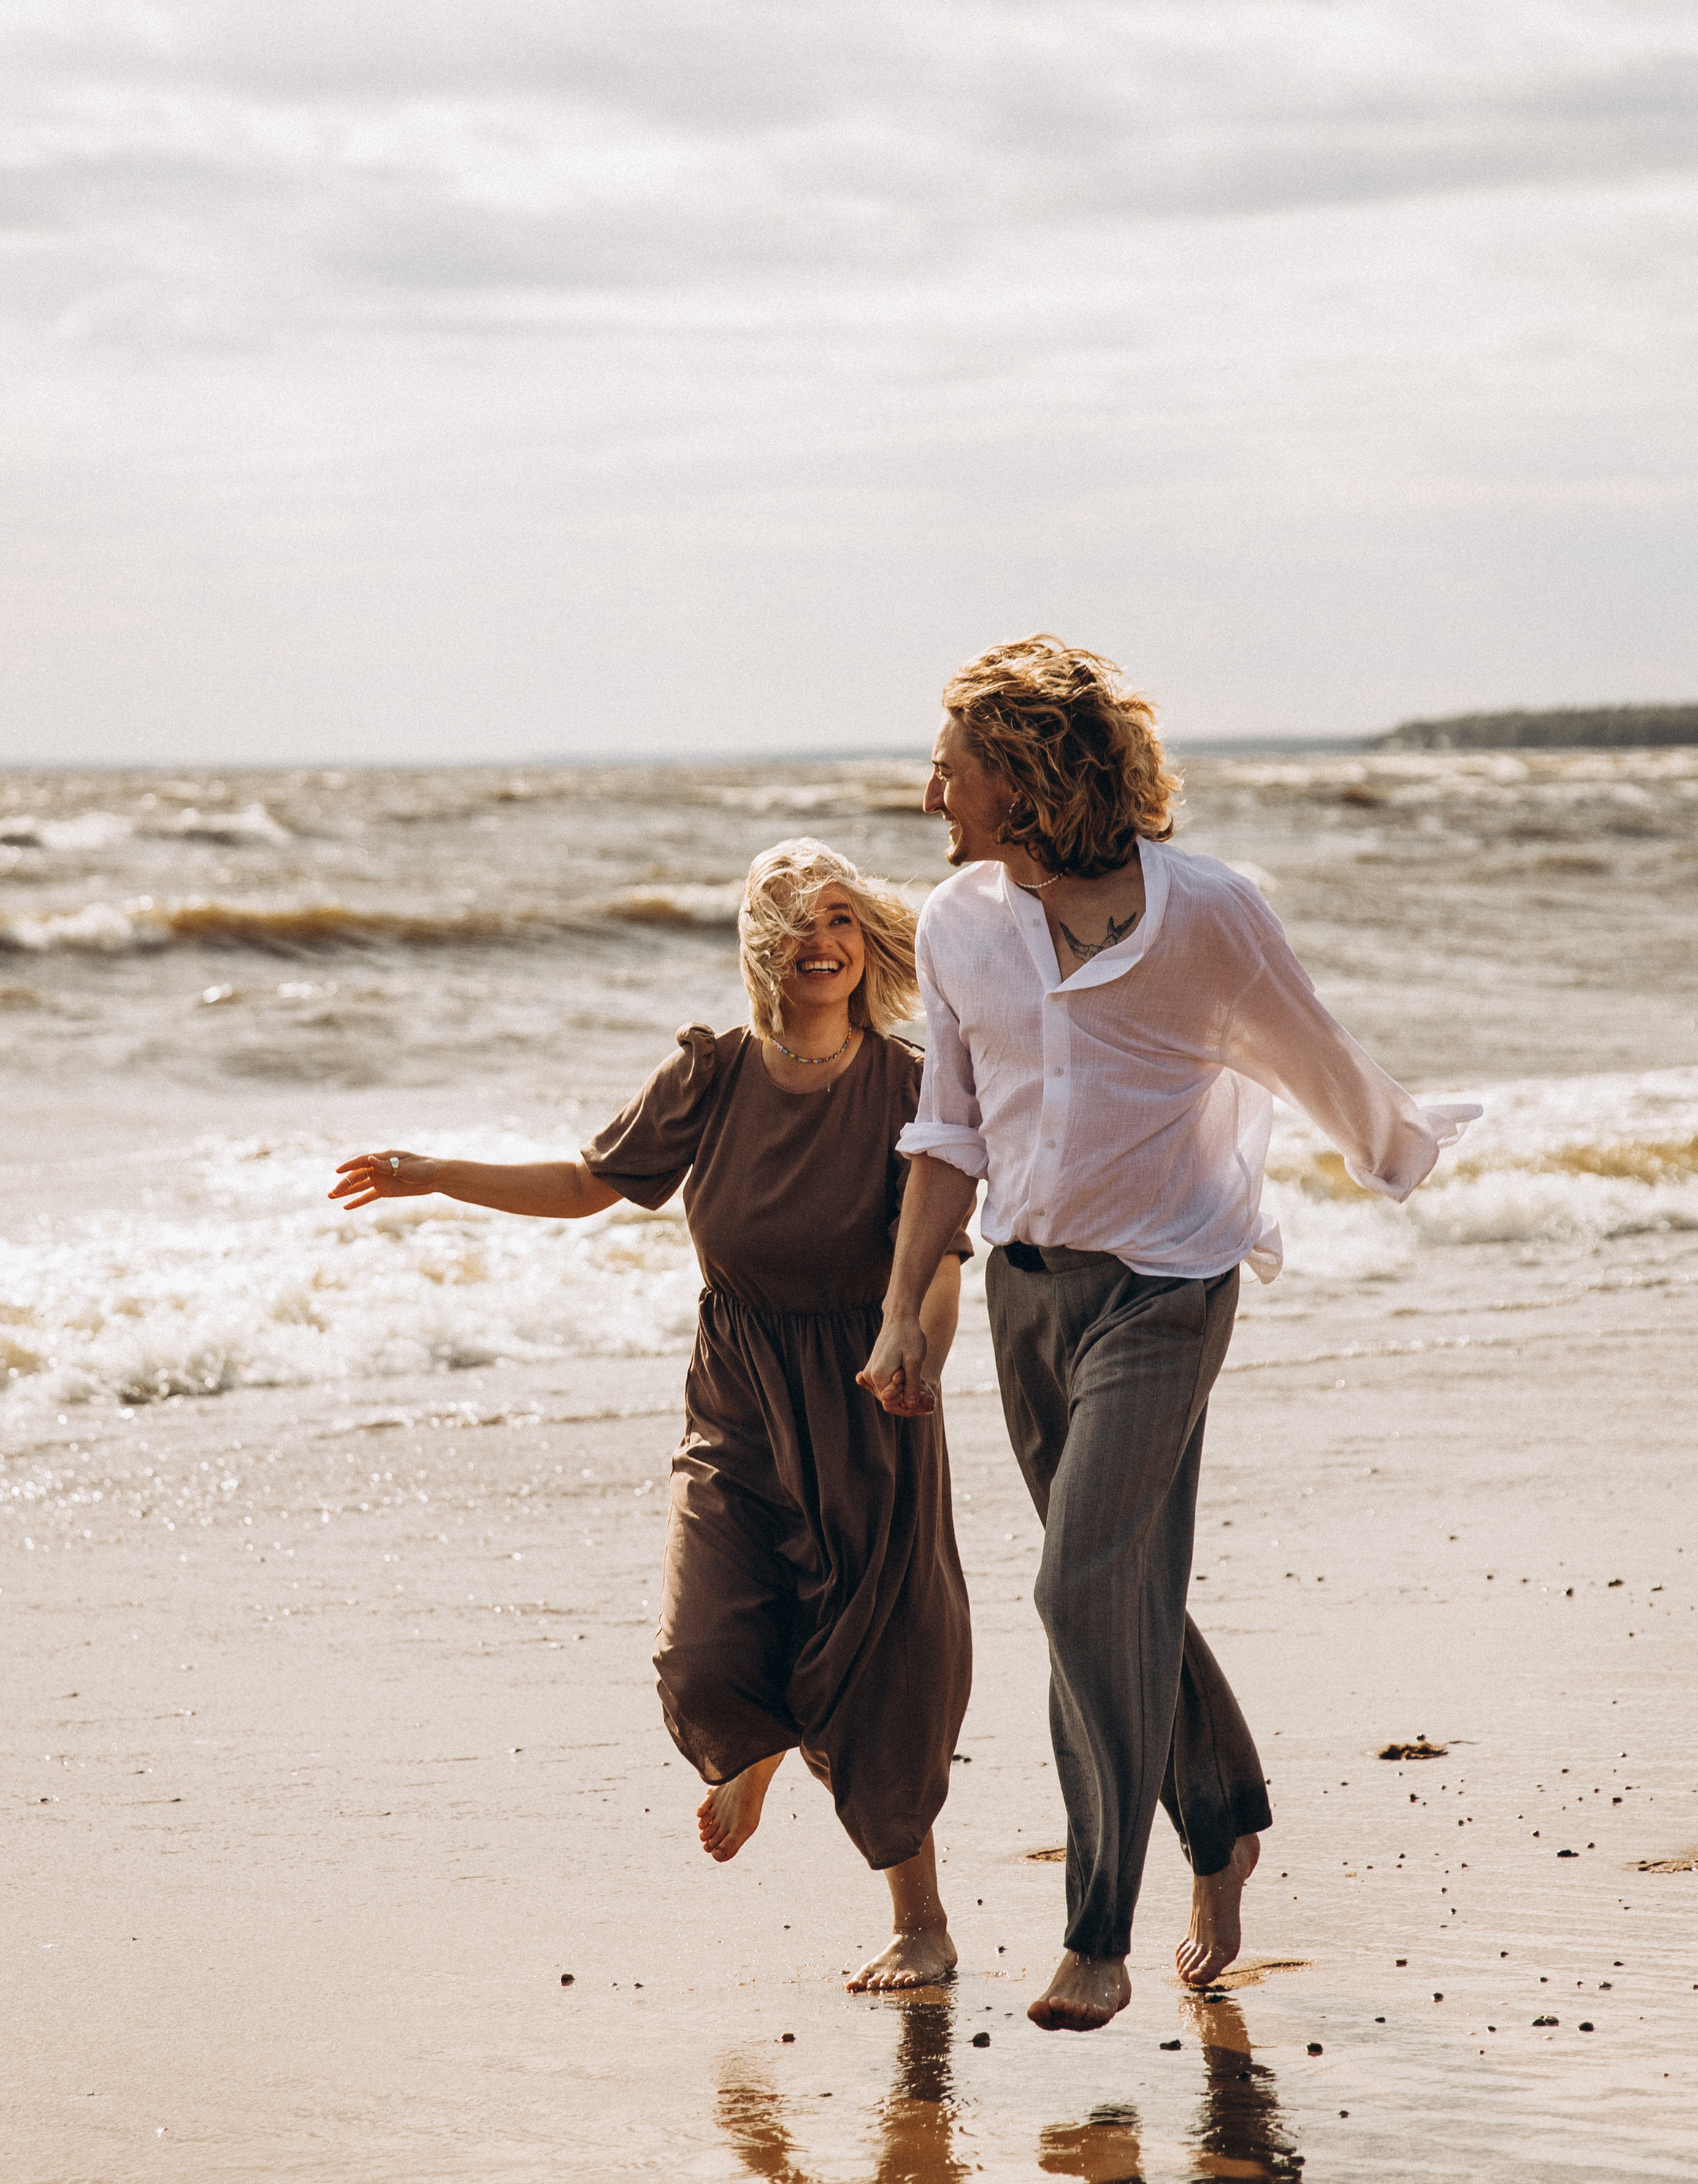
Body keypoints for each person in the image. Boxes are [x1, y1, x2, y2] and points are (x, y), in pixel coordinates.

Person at [860, 635, 1479, 2034]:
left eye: (949, 769)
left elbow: (1312, 1048)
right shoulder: (956, 924)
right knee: (1120, 1587)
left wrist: (1402, 1148)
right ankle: (1225, 1822)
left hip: (1168, 1286)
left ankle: (1095, 1932)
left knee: (1079, 1587)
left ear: (1021, 776)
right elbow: (948, 1134)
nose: (929, 796)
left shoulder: (1207, 912)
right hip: (1026, 1293)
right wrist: (908, 1308)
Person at [331, 840, 974, 1993]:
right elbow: (587, 1184)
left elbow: (936, 1259)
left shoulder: (908, 1088)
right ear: (759, 948)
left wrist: (915, 1342)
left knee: (883, 1671)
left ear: (865, 942)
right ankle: (758, 1744)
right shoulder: (711, 1076)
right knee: (702, 1647)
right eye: (790, 923)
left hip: (869, 1392)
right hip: (735, 1393)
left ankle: (920, 1923)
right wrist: (434, 1172)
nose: (816, 941)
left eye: (836, 918)